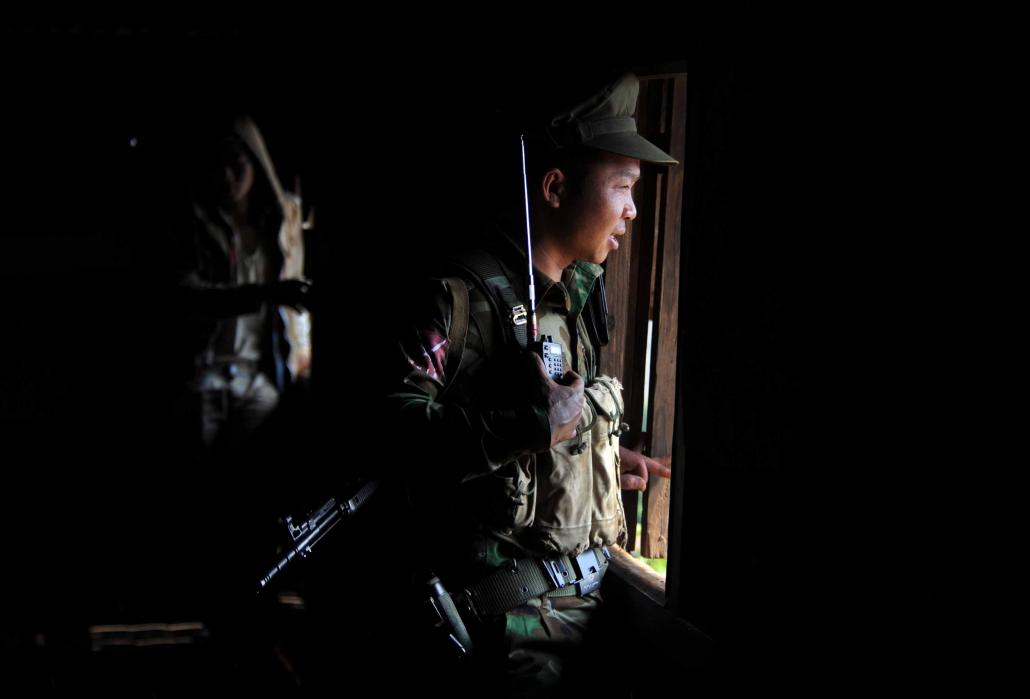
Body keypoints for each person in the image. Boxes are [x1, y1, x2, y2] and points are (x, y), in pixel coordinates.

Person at [383, 72, 675, 697]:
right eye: (622, 187)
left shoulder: (578, 295)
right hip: (512, 628)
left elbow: (561, 420)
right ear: (553, 187)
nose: (631, 208)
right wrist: (526, 429)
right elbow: (392, 428)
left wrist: (595, 455)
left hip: (591, 607)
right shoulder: (458, 302)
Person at [168, 115, 313, 454]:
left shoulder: (278, 227)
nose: (227, 178)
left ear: (257, 164)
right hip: (203, 376)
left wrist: (300, 362)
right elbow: (186, 293)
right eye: (217, 166)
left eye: (238, 165)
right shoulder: (195, 226)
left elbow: (295, 302)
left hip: (256, 378)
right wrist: (264, 294)